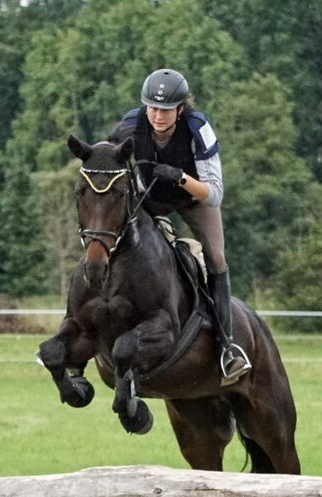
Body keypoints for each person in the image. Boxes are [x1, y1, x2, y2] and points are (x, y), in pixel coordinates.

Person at [109, 68, 250, 386]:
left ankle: (227, 347)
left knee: (215, 258)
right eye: (153, 108)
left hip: (195, 202)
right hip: (152, 200)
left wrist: (180, 177)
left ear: (180, 109)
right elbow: (108, 153)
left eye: (166, 109)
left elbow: (215, 193)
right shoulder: (133, 122)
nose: (158, 115)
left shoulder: (198, 128)